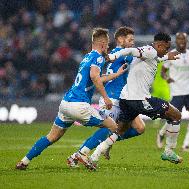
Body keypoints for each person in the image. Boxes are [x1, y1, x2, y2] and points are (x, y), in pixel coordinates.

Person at [16, 28, 127, 170]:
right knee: (112, 126)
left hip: (66, 103)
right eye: (108, 44)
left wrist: (116, 75)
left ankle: (24, 161)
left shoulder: (87, 57)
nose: (109, 47)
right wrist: (106, 98)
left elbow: (96, 78)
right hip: (79, 105)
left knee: (52, 136)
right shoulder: (98, 57)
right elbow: (94, 77)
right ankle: (83, 154)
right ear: (102, 44)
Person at [89, 33, 183, 169]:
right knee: (176, 115)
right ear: (159, 45)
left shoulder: (152, 53)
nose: (167, 50)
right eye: (166, 48)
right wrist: (111, 57)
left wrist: (167, 56)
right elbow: (130, 51)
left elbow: (157, 58)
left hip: (126, 99)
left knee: (120, 130)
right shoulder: (149, 51)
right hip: (140, 99)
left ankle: (95, 156)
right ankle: (168, 151)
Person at [66, 26, 146, 168]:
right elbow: (138, 56)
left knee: (139, 128)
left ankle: (105, 143)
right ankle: (78, 154)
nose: (133, 43)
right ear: (120, 39)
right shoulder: (122, 53)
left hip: (124, 98)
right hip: (112, 97)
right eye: (130, 39)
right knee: (108, 128)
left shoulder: (117, 53)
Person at [156, 32, 189, 152]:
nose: (181, 41)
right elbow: (163, 71)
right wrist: (167, 78)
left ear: (186, 41)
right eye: (179, 39)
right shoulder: (171, 55)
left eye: (183, 39)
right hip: (177, 90)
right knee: (174, 118)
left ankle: (186, 146)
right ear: (176, 41)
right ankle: (161, 133)